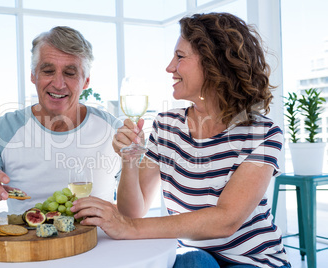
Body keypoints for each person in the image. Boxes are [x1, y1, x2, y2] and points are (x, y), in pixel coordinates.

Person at [71, 13, 291, 268]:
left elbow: (226, 220)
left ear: (214, 63)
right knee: (193, 260)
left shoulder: (262, 133)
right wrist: (129, 160)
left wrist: (130, 228)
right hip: (196, 259)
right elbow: (132, 212)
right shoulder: (167, 125)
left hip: (253, 261)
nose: (169, 67)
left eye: (180, 56)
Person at [0, 26, 121, 228]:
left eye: (70, 73)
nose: (58, 84)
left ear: (86, 81)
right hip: (28, 253)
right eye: (48, 71)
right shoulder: (3, 131)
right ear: (33, 75)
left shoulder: (113, 130)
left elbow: (135, 210)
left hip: (100, 251)